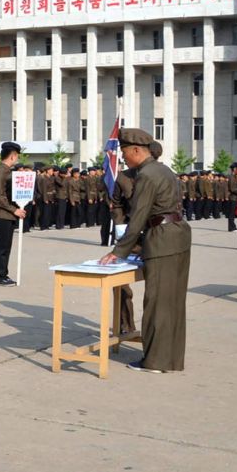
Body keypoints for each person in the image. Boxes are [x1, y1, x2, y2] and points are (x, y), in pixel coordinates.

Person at [98, 128, 191, 373]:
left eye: (126, 153)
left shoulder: (147, 175)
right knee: (173, 302)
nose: (124, 158)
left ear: (137, 150)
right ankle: (170, 358)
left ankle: (155, 362)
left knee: (157, 302)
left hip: (162, 238)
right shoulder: (164, 170)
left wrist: (118, 251)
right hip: (178, 234)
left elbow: (138, 216)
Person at [0, 142, 25, 286]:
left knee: (6, 246)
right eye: (16, 157)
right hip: (3, 214)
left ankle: (2, 274)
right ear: (13, 156)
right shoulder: (0, 171)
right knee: (2, 247)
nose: (16, 160)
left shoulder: (7, 171)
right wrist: (14, 209)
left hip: (8, 214)